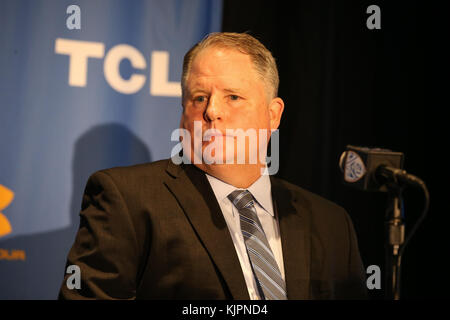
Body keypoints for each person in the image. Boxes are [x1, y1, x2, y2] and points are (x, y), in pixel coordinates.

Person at [58, 32, 367, 300]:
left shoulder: (331, 223)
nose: (212, 111)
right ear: (183, 113)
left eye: (233, 96)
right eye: (199, 98)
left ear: (273, 115)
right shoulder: (127, 201)